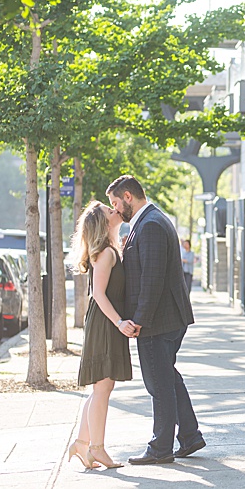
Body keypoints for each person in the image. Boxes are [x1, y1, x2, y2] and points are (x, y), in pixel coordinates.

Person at [107, 175, 204, 465]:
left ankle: (160, 447)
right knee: (168, 378)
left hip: (158, 321)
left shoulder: (149, 225)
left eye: (115, 203)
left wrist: (138, 320)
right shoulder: (151, 220)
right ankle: (189, 435)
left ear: (127, 196)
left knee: (158, 383)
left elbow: (152, 279)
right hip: (167, 318)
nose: (115, 210)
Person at [67, 201, 131, 470]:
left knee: (101, 388)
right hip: (105, 322)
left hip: (103, 321)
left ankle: (82, 444)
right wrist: (119, 322)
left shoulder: (108, 249)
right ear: (103, 224)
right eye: (109, 210)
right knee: (103, 387)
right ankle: (97, 448)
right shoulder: (105, 253)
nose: (115, 210)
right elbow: (99, 294)